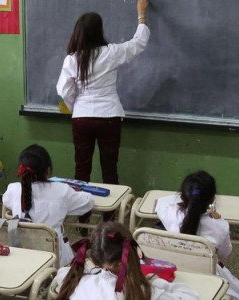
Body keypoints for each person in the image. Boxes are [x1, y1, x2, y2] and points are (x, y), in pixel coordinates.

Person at [56, 0, 150, 224]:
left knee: (82, 171)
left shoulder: (72, 59)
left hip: (82, 118)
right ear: (100, 31)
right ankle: (110, 219)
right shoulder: (111, 53)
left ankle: (83, 219)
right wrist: (141, 15)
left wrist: (75, 106)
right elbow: (138, 43)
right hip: (109, 116)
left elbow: (63, 90)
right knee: (110, 170)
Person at [155, 170, 239, 300]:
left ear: (182, 196)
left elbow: (160, 205)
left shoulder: (171, 214)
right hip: (208, 275)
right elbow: (225, 254)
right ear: (212, 198)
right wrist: (218, 220)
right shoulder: (219, 226)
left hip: (175, 272)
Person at [2, 144, 93, 266]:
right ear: (48, 170)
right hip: (55, 261)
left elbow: (6, 200)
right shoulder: (62, 191)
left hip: (22, 257)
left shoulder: (13, 189)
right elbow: (88, 202)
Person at [56, 222, 198, 300]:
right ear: (132, 253)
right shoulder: (144, 293)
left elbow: (62, 273)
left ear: (94, 257)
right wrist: (154, 282)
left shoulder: (75, 282)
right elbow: (191, 296)